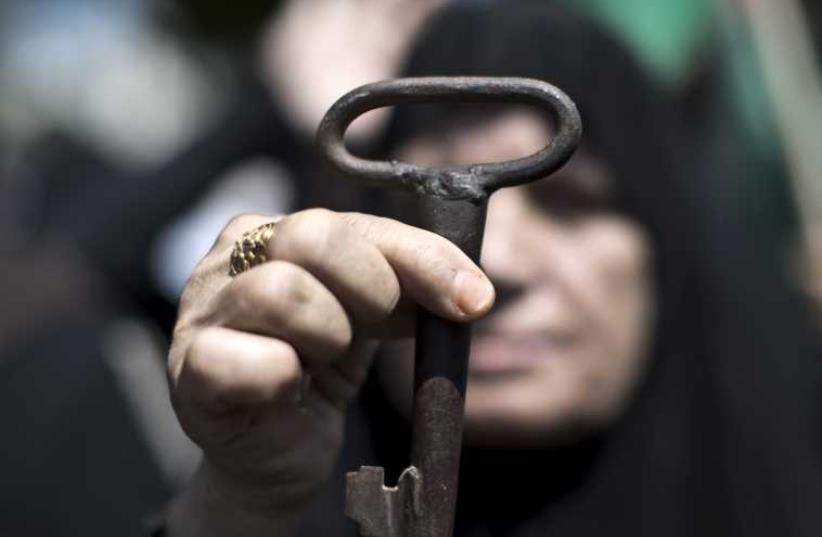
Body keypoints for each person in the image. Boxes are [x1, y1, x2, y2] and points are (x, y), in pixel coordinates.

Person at [161, 3, 822, 536]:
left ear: (668, 250)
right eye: (414, 197)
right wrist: (236, 508)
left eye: (570, 201)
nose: (494, 262)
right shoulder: (248, 469)